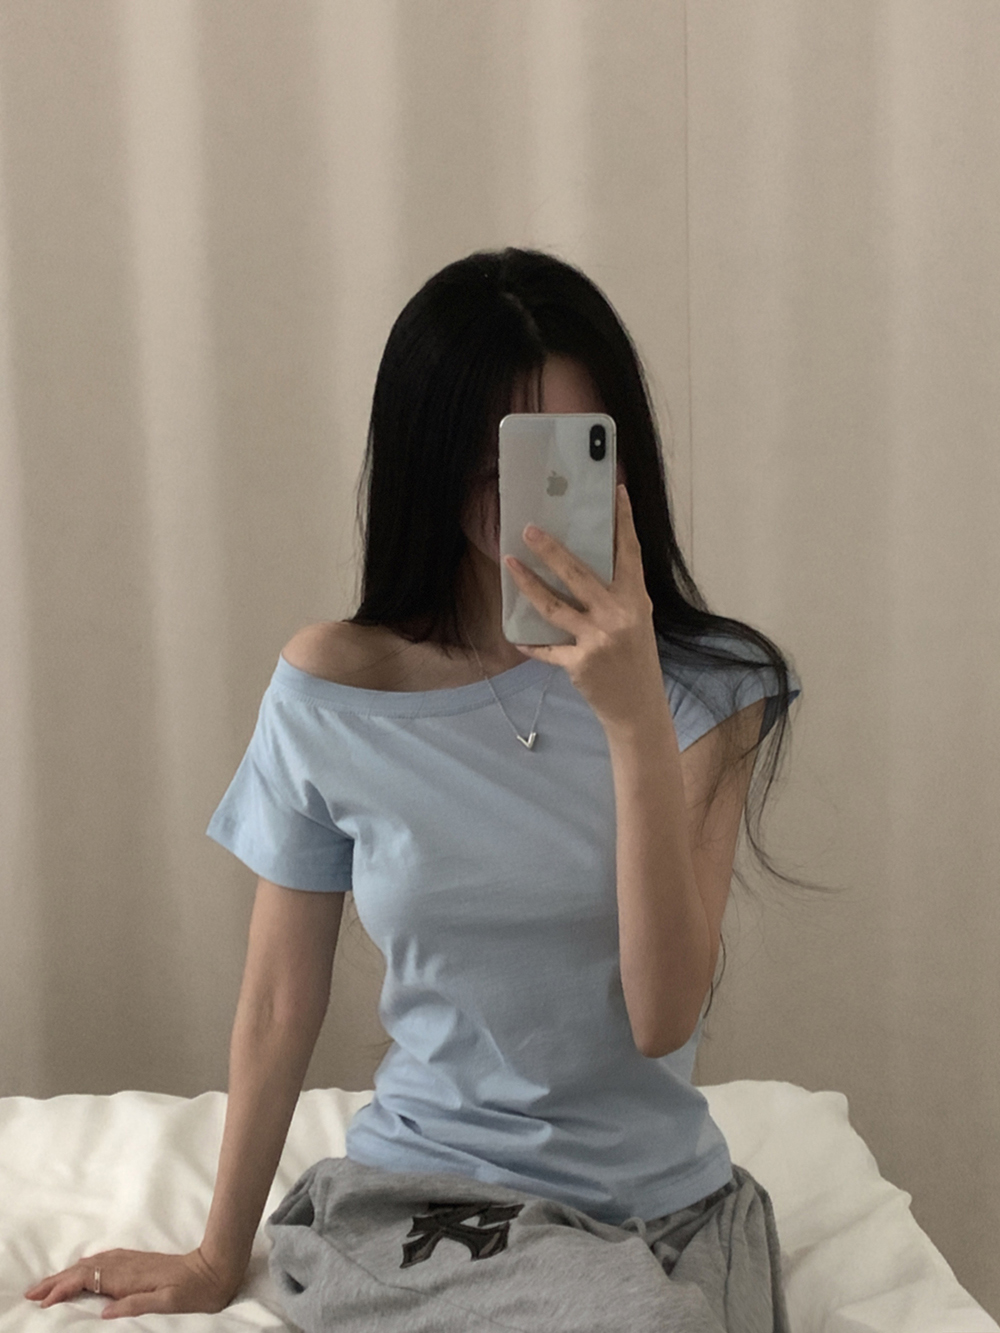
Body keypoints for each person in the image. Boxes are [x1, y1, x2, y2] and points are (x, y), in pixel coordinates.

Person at [26, 248, 798, 1330]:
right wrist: (214, 1256)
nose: (520, 499)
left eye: (559, 455)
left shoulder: (712, 691)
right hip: (438, 1200)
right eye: (488, 460)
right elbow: (278, 998)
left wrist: (631, 716)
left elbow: (662, 1014)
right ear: (425, 461)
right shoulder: (337, 689)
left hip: (666, 1212)